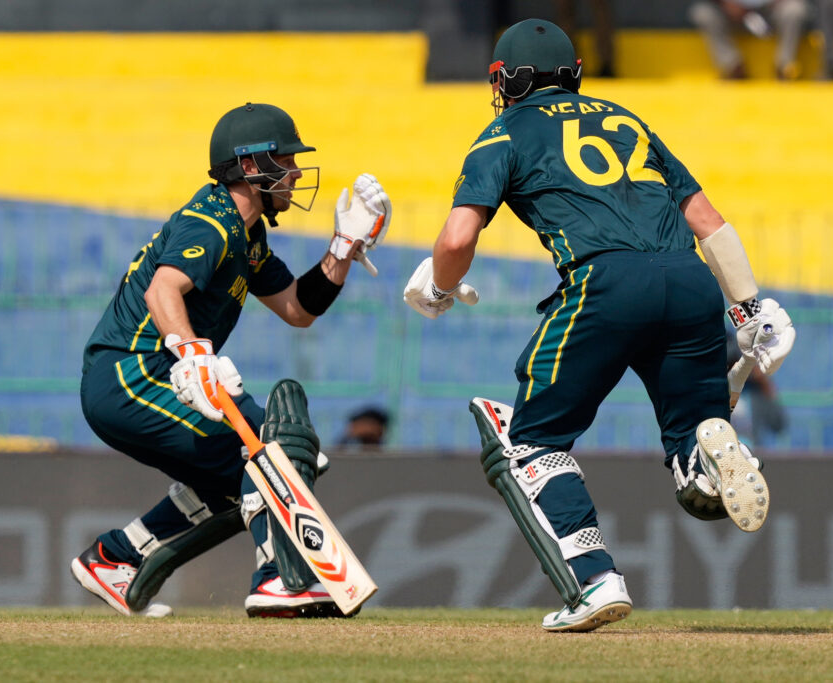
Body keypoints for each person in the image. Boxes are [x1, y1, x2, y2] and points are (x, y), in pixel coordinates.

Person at [403, 18, 795, 632]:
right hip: (690, 283)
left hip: (605, 285)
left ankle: (594, 579)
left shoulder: (503, 131)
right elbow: (708, 219)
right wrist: (749, 310)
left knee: (531, 443)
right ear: (575, 75)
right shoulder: (625, 119)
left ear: (510, 79)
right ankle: (710, 457)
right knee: (692, 454)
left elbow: (458, 237)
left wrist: (440, 287)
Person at [70, 102, 391, 618]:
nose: (293, 174)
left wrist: (343, 247)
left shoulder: (249, 235)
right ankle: (277, 580)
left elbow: (297, 307)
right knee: (267, 451)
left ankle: (116, 558)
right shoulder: (211, 220)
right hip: (129, 376)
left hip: (154, 377)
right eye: (285, 161)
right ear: (250, 167)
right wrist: (195, 356)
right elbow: (162, 291)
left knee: (238, 479)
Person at [688, 0, 810, 79]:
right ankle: (732, 65)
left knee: (795, 9)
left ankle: (784, 66)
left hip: (772, 10)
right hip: (731, 12)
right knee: (703, 13)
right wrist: (726, 3)